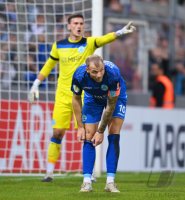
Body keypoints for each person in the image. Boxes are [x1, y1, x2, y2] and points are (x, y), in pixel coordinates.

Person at [28, 13, 135, 182]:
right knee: (57, 131)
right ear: (69, 26)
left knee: (88, 134)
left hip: (86, 94)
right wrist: (36, 84)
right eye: (75, 23)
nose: (79, 26)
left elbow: (105, 39)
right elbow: (49, 65)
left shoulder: (89, 43)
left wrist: (120, 32)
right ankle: (49, 172)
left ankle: (88, 174)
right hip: (63, 95)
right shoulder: (59, 45)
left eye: (81, 23)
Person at [71, 54, 127, 192]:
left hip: (115, 99)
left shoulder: (112, 74)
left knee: (113, 133)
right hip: (92, 98)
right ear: (87, 71)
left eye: (101, 70)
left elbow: (110, 106)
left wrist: (101, 131)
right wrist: (79, 127)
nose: (99, 74)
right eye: (95, 72)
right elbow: (76, 99)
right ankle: (87, 182)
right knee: (88, 136)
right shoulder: (79, 76)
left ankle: (110, 182)